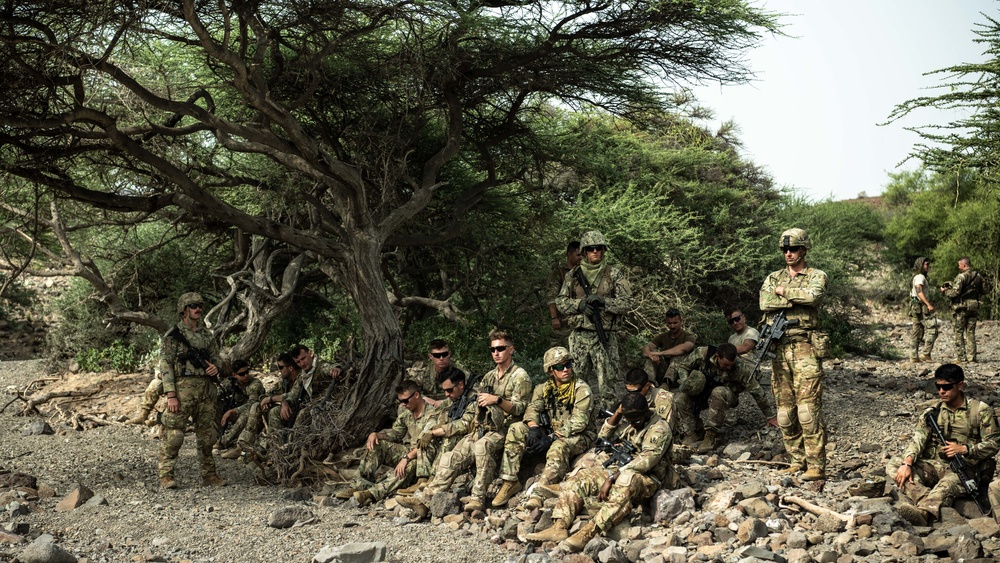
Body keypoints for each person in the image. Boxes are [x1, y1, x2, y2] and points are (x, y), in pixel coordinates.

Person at [399, 329, 532, 514]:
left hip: (506, 428)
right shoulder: (489, 376)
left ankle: (478, 499)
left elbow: (521, 409)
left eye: (501, 348)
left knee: (482, 446)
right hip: (484, 426)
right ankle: (425, 499)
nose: (496, 353)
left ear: (511, 350)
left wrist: (498, 400)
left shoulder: (520, 376)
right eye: (493, 349)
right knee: (450, 457)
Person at [525, 392, 674, 552]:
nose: (634, 424)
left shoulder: (659, 428)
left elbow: (646, 461)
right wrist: (617, 414)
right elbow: (602, 436)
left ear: (646, 412)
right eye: (629, 421)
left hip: (648, 477)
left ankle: (589, 531)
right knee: (582, 479)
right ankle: (559, 526)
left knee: (626, 482)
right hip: (623, 467)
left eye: (636, 421)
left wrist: (611, 478)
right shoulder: (633, 419)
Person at [889, 363, 999, 526]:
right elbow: (918, 439)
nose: (941, 391)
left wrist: (966, 449)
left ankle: (925, 513)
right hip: (935, 465)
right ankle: (926, 500)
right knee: (895, 465)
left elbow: (994, 443)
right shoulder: (933, 412)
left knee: (947, 484)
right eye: (938, 386)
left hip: (965, 468)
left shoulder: (980, 411)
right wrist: (907, 462)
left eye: (946, 387)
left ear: (960, 385)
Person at [759, 228, 829, 481]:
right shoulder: (773, 276)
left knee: (808, 411)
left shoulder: (816, 275)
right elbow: (764, 303)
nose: (789, 253)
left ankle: (815, 466)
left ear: (804, 250)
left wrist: (783, 292)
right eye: (785, 250)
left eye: (794, 249)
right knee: (785, 413)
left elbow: (814, 297)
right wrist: (791, 300)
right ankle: (796, 460)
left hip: (805, 348)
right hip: (779, 350)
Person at [494, 346, 595, 509]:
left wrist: (552, 437)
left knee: (558, 445)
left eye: (568, 364)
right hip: (551, 431)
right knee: (516, 428)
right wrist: (533, 427)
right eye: (560, 367)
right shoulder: (543, 389)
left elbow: (579, 421)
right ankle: (509, 481)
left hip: (579, 435)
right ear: (550, 371)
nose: (566, 370)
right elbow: (533, 408)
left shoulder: (581, 389)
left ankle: (539, 493)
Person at [556, 231, 634, 408]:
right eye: (590, 249)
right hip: (579, 336)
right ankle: (578, 418)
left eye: (599, 248)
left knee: (607, 385)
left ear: (603, 250)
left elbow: (628, 302)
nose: (595, 251)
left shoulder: (614, 274)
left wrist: (604, 302)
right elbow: (560, 302)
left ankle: (608, 423)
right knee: (575, 382)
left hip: (604, 336)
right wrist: (580, 305)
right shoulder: (573, 275)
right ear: (584, 252)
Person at [158, 292, 225, 489]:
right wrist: (171, 394)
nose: (198, 309)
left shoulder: (206, 335)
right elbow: (166, 365)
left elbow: (217, 357)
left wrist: (216, 367)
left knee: (207, 436)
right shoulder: (173, 336)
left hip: (205, 390)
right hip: (182, 390)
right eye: (193, 305)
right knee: (175, 435)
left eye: (200, 305)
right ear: (184, 309)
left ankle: (209, 475)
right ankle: (166, 475)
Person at [666, 343, 778, 452]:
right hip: (701, 390)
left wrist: (770, 416)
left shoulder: (740, 368)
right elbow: (683, 367)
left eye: (731, 365)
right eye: (725, 365)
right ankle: (696, 430)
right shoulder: (702, 353)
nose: (729, 367)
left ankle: (710, 436)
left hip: (725, 395)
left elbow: (756, 390)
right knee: (679, 399)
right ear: (717, 356)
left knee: (718, 392)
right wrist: (688, 383)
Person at [347, 380, 438, 507]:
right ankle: (358, 484)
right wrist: (376, 435)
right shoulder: (407, 414)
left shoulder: (432, 414)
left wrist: (405, 458)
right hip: (409, 451)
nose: (403, 404)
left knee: (407, 467)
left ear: (417, 395)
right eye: (400, 401)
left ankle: (370, 494)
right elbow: (396, 433)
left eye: (405, 401)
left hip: (425, 457)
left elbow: (425, 444)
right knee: (377, 444)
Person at [398, 367, 478, 497]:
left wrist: (436, 432)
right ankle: (422, 479)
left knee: (447, 439)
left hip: (467, 438)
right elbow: (436, 413)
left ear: (461, 385)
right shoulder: (453, 399)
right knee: (424, 437)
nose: (446, 394)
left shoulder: (473, 399)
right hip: (451, 433)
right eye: (444, 390)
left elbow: (465, 424)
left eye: (449, 390)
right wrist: (429, 430)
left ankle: (434, 478)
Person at [224, 353, 301, 459]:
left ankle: (275, 451)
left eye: (281, 367)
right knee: (256, 406)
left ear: (291, 368)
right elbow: (268, 394)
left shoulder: (301, 379)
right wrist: (265, 400)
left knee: (274, 411)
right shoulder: (285, 381)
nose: (279, 370)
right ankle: (242, 446)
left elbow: (293, 396)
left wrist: (275, 400)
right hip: (287, 412)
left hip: (298, 412)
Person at [941, 257, 986, 363]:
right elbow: (985, 290)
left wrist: (945, 291)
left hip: (961, 308)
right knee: (971, 332)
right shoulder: (979, 276)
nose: (958, 267)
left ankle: (961, 357)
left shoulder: (961, 277)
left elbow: (955, 293)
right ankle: (972, 357)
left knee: (959, 332)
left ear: (964, 265)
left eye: (959, 265)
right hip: (974, 307)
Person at [216, 359, 266, 451]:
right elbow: (217, 394)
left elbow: (252, 404)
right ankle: (215, 436)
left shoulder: (255, 384)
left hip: (254, 418)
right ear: (234, 375)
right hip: (238, 417)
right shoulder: (231, 382)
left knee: (246, 413)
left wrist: (232, 411)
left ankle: (224, 441)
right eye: (242, 374)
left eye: (247, 372)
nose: (246, 375)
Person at [641, 308, 697, 386]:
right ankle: (649, 383)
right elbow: (646, 348)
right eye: (669, 323)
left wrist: (659, 353)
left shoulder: (688, 336)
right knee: (651, 359)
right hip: (664, 370)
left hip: (679, 373)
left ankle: (666, 384)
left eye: (675, 323)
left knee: (679, 356)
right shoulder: (662, 337)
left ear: (681, 321)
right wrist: (652, 355)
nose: (672, 326)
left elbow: (684, 348)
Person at [414, 339, 467, 407]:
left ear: (449, 354)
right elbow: (410, 391)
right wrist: (425, 399)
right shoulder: (424, 373)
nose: (441, 358)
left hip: (452, 406)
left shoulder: (459, 372)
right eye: (437, 355)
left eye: (444, 354)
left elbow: (473, 392)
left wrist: (446, 402)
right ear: (430, 356)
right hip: (428, 407)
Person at [547, 241, 582, 343]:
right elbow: (551, 296)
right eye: (578, 255)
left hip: (580, 321)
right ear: (569, 254)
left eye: (582, 255)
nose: (581, 258)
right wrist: (554, 317)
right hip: (563, 321)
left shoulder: (583, 272)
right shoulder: (559, 272)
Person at [908, 257, 939, 363]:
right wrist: (928, 304)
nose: (928, 266)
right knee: (933, 329)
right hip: (921, 306)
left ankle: (914, 356)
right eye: (926, 264)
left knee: (917, 331)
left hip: (915, 306)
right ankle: (926, 354)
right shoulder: (920, 277)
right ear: (921, 265)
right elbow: (919, 291)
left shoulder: (918, 276)